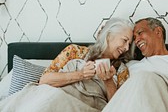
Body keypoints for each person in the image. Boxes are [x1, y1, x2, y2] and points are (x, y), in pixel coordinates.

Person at [0, 17, 134, 112]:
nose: (127, 48)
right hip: (52, 96)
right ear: (109, 35)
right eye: (124, 40)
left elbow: (118, 106)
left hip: (79, 105)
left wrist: (108, 81)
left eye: (129, 44)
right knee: (50, 98)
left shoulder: (121, 71)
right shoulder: (75, 52)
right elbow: (44, 81)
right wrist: (80, 74)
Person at [102, 17, 168, 112]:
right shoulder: (130, 66)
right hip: (139, 106)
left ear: (158, 32)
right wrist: (108, 81)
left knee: (146, 77)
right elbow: (118, 103)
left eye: (140, 33)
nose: (136, 41)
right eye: (134, 38)